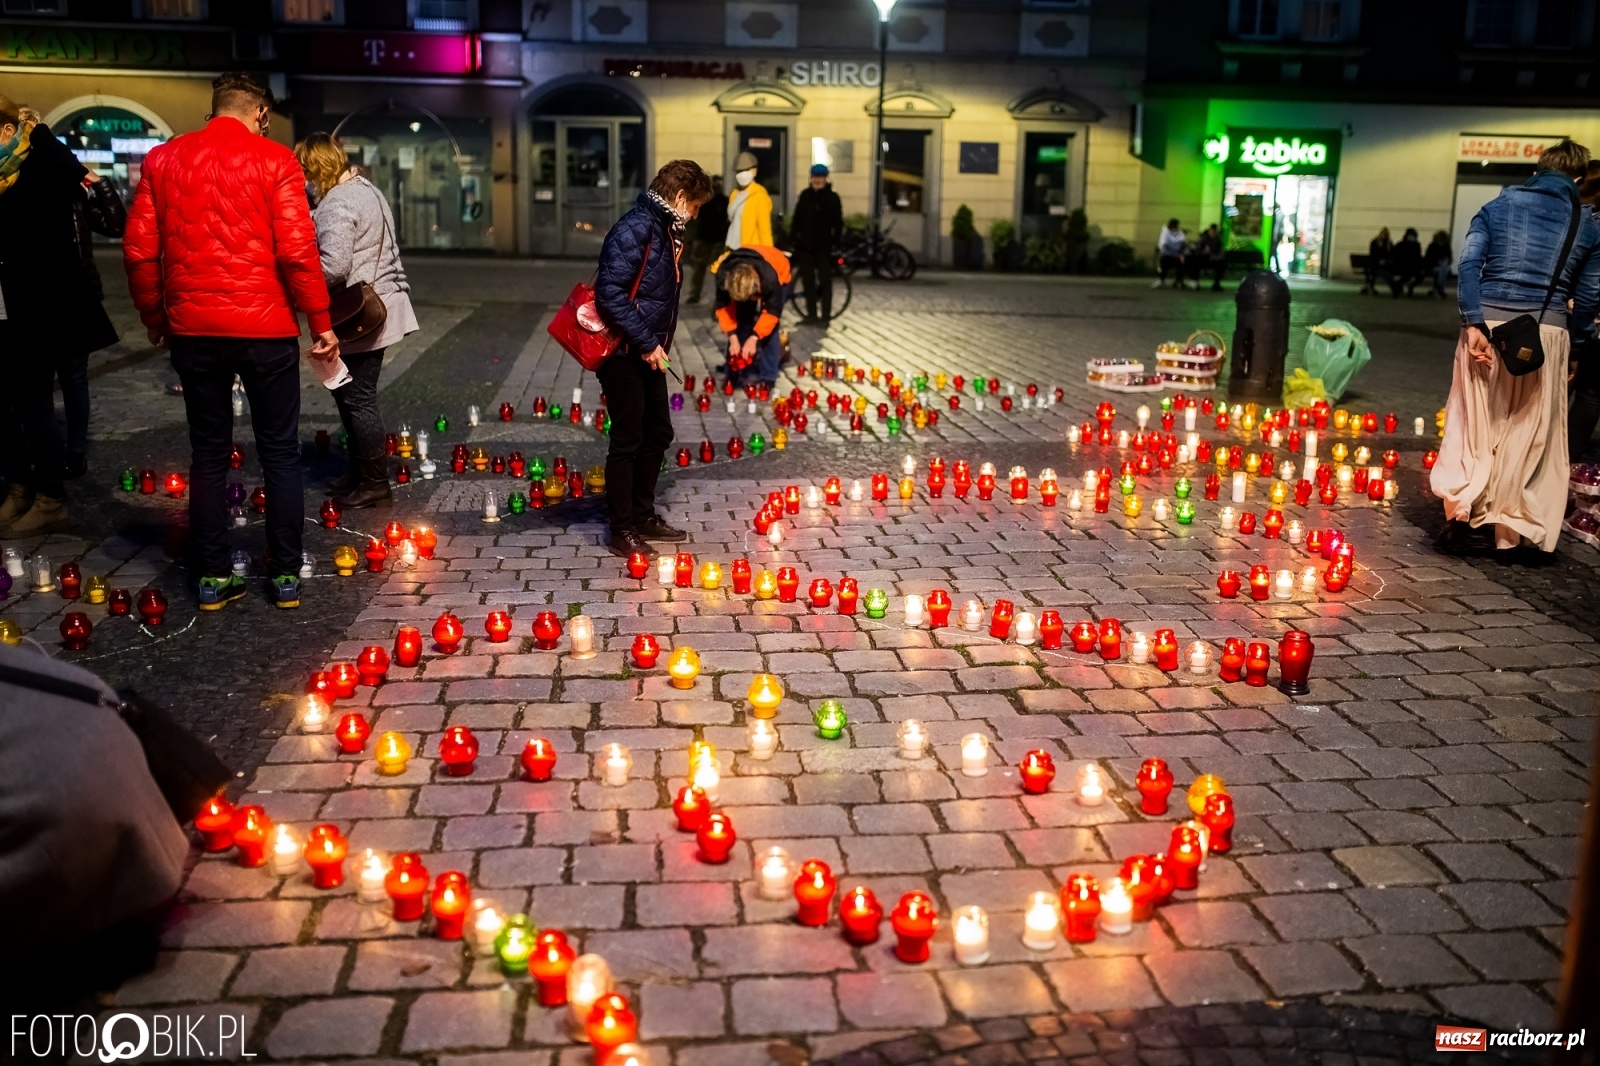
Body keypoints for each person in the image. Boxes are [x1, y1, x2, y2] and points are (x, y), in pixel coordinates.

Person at [124, 72, 337, 610]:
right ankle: (285, 575)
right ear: (261, 113)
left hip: (194, 329)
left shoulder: (163, 159)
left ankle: (213, 577)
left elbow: (139, 251)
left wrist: (155, 315)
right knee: (281, 454)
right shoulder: (276, 161)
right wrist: (321, 321)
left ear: (212, 108)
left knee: (209, 455)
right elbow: (296, 250)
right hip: (265, 330)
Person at [1435, 139, 1600, 555]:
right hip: (1547, 333)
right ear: (1578, 178)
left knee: (1473, 425)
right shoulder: (1588, 223)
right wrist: (1575, 348)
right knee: (1527, 433)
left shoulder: (1497, 206)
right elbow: (1590, 293)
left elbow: (1470, 264)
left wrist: (1473, 322)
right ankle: (1507, 533)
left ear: (1538, 169)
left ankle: (1460, 511)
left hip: (1489, 324)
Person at [0, 95, 119, 537]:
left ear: (10, 132)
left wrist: (40, 131)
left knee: (39, 401)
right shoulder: (3, 178)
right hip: (6, 307)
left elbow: (98, 203)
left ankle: (50, 496)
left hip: (42, 309)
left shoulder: (42, 165)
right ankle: (19, 487)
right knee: (5, 403)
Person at [594, 159, 715, 559]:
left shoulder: (664, 229)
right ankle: (621, 528)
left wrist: (652, 344)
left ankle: (643, 515)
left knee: (658, 432)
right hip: (624, 352)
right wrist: (647, 342)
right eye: (695, 206)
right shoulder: (637, 227)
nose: (695, 215)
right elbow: (609, 293)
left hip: (646, 350)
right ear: (680, 198)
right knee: (628, 438)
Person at [295, 132, 418, 509]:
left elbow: (334, 265)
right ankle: (361, 473)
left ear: (316, 169)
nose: (304, 180)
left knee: (357, 399)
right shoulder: (368, 189)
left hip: (360, 311)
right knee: (350, 396)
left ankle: (375, 483)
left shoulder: (337, 202)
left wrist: (298, 275)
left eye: (305, 171)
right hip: (383, 301)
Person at [714, 245, 792, 388]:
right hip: (747, 272)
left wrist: (755, 337)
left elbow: (771, 314)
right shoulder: (723, 275)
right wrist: (732, 337)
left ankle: (768, 375)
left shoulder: (771, 280)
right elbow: (724, 309)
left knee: (770, 331)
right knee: (743, 322)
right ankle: (736, 370)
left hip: (779, 268)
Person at [1568, 164, 1600, 460]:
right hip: (1589, 323)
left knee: (1559, 390)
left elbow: (1589, 286)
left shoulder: (1584, 222)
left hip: (1580, 320)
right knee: (1591, 394)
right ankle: (1567, 458)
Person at [790, 163, 843, 324]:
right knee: (808, 281)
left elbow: (838, 223)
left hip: (824, 247)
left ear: (826, 178)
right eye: (815, 177)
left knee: (825, 281)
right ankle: (811, 314)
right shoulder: (805, 195)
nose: (817, 180)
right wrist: (794, 239)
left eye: (820, 177)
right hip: (805, 247)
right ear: (811, 178)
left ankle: (825, 316)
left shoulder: (832, 197)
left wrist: (836, 243)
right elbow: (797, 219)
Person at [684, 174, 727, 305]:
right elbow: (693, 219)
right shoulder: (703, 201)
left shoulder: (725, 201)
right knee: (698, 269)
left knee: (719, 270)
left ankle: (720, 296)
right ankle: (694, 294)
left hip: (718, 240)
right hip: (703, 239)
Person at [725, 151, 772, 251]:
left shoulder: (759, 196)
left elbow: (764, 230)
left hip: (750, 251)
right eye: (739, 171)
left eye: (746, 169)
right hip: (732, 248)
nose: (742, 174)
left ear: (754, 171)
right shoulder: (734, 193)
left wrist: (768, 256)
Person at [1385, 227, 1424, 297]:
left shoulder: (1416, 245)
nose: (1411, 238)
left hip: (1411, 269)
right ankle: (1401, 287)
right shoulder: (1400, 245)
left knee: (1418, 276)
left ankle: (1409, 287)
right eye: (1410, 236)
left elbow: (1418, 259)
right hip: (1401, 268)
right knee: (1400, 277)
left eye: (1413, 236)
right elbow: (1395, 258)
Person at [1187, 223, 1227, 291]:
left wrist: (1216, 257)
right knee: (1194, 261)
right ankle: (1194, 281)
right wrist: (1204, 252)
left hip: (1214, 259)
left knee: (1223, 264)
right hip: (1203, 258)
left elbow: (1221, 252)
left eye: (1215, 231)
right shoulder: (1204, 238)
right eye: (1212, 231)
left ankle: (1216, 283)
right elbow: (1198, 250)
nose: (1213, 232)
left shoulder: (1218, 239)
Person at [1152, 218, 1186, 288]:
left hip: (1178, 254)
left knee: (1182, 263)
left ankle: (1178, 280)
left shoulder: (1179, 232)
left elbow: (1183, 243)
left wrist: (1181, 253)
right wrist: (1173, 252)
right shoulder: (1165, 232)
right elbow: (1164, 244)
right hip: (1168, 254)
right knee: (1163, 263)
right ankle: (1161, 280)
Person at [1424, 229, 1453, 299]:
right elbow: (1428, 259)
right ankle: (1440, 288)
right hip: (1432, 266)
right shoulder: (1432, 246)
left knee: (1444, 269)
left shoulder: (1447, 247)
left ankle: (1438, 287)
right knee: (1443, 270)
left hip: (1443, 266)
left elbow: (1450, 259)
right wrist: (1438, 262)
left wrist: (1447, 260)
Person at [1362, 227, 1392, 294]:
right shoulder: (1377, 242)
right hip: (1376, 264)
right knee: (1376, 272)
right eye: (1383, 234)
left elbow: (1391, 254)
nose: (1384, 236)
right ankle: (1369, 287)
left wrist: (1385, 260)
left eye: (1385, 234)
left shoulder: (1388, 243)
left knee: (1379, 272)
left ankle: (1368, 287)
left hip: (1382, 264)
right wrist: (1381, 261)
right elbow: (1374, 255)